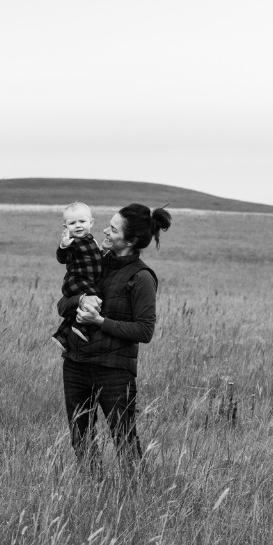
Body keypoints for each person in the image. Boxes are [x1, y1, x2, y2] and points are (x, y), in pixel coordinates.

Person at [57, 203, 172, 474]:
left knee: (125, 442)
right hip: (76, 364)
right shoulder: (93, 261)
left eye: (113, 229)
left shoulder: (141, 277)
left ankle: (134, 494)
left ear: (130, 241)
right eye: (108, 225)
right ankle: (92, 490)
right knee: (80, 439)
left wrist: (100, 322)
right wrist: (79, 300)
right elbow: (62, 305)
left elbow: (144, 331)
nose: (105, 232)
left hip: (114, 371)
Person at [52, 202, 103, 349]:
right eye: (72, 223)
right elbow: (61, 259)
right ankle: (80, 326)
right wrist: (63, 246)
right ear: (66, 227)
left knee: (85, 304)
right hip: (76, 281)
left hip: (87, 281)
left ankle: (61, 336)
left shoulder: (92, 240)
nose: (78, 226)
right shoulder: (71, 243)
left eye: (82, 221)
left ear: (91, 223)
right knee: (95, 298)